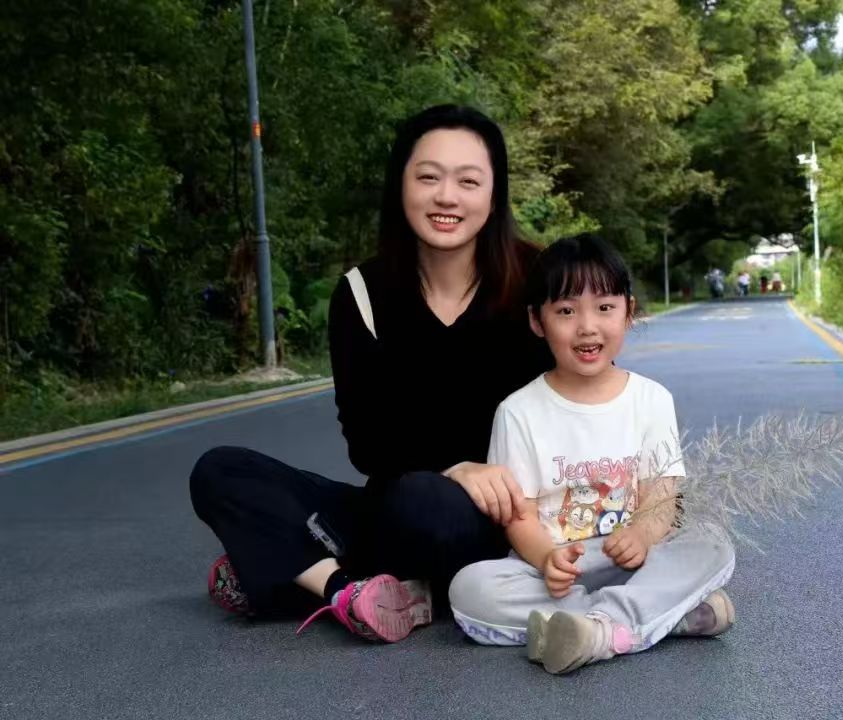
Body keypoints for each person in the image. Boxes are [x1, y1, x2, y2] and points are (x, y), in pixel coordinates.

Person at [189, 105, 551, 642]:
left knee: (432, 505)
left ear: (494, 195)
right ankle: (347, 590)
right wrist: (456, 467)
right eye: (428, 177)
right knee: (220, 470)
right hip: (392, 512)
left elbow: (586, 394)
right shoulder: (362, 293)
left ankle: (291, 573)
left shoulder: (540, 282)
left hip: (509, 520)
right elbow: (368, 444)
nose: (446, 197)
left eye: (468, 181)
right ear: (400, 185)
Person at [448, 234, 736, 674]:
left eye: (604, 307)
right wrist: (547, 558)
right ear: (537, 321)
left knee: (711, 544)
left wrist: (642, 535)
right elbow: (519, 514)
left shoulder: (651, 399)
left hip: (633, 563)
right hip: (556, 574)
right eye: (566, 311)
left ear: (628, 312)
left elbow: (661, 496)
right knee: (469, 588)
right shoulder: (517, 411)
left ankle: (596, 627)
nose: (587, 326)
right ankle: (647, 619)